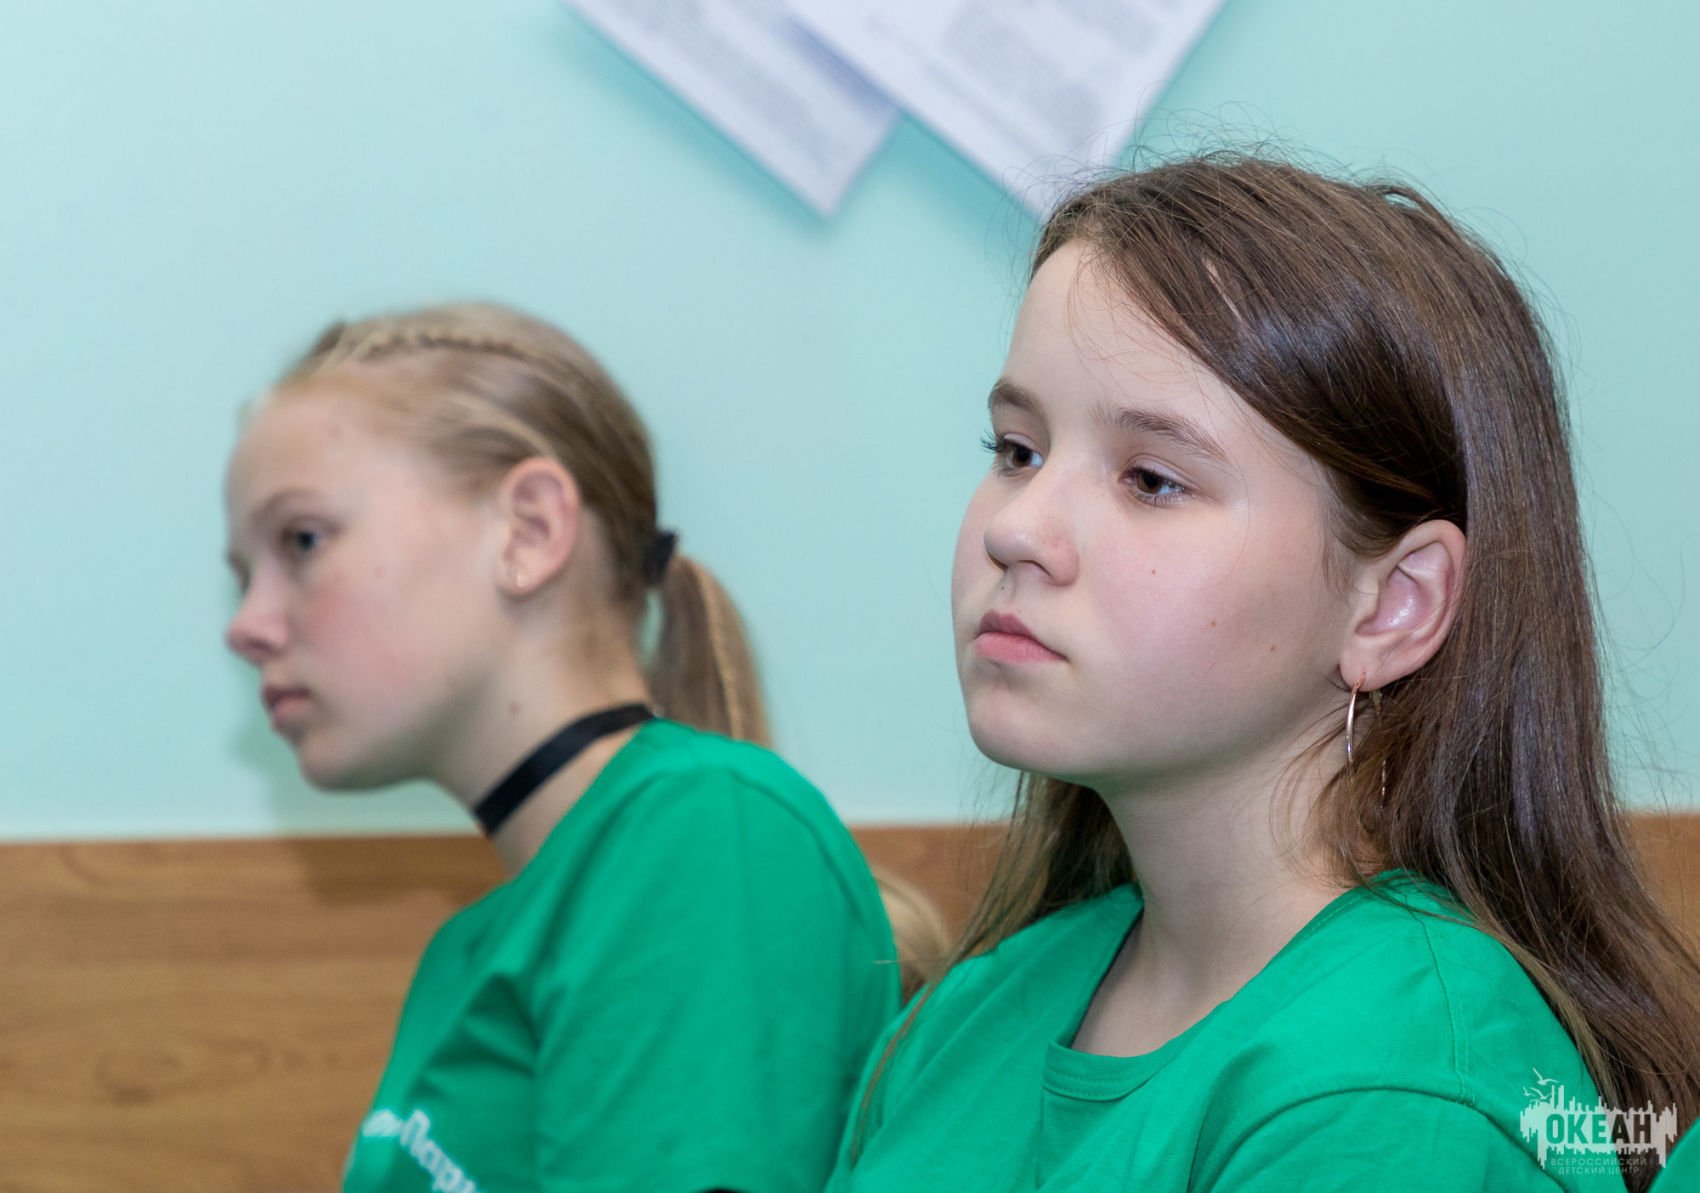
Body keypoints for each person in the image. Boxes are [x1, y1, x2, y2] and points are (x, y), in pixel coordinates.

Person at [829, 154, 1700, 1193]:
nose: (1015, 529)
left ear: (1393, 604)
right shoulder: (979, 1007)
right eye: (1017, 449)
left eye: (1152, 479)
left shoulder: (1391, 1095)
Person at [221, 302, 900, 1192]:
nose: (246, 625)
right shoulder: (469, 950)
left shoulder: (704, 831)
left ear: (530, 530)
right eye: (244, 575)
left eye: (303, 540)